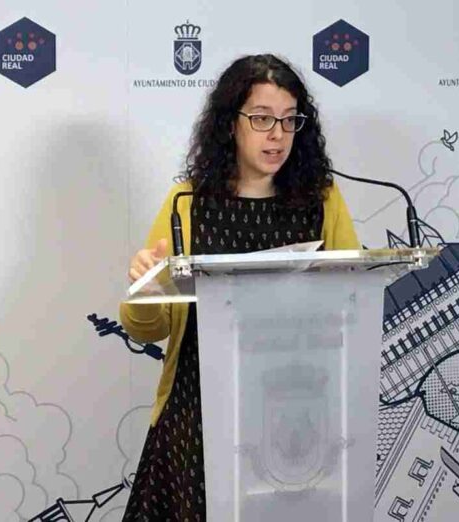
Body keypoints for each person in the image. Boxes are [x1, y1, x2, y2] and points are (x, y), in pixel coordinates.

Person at [119, 54, 360, 521]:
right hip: (197, 415)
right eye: (262, 118)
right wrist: (146, 291)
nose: (278, 135)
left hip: (298, 416)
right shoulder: (187, 202)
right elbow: (148, 329)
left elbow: (354, 299)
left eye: (289, 120)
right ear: (231, 124)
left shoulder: (322, 200)